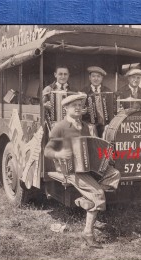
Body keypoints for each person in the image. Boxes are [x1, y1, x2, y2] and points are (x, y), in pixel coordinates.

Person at [44, 93, 121, 248]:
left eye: (80, 105)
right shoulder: (60, 127)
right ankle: (88, 233)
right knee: (98, 194)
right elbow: (47, 151)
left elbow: (91, 147)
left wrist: (106, 156)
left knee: (115, 174)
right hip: (71, 170)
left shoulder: (85, 126)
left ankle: (87, 200)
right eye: (74, 106)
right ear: (66, 108)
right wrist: (59, 154)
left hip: (88, 168)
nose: (78, 108)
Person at [80, 66, 112, 136]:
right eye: (93, 76)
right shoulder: (83, 91)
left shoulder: (108, 91)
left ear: (102, 78)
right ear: (89, 78)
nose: (96, 79)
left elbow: (111, 109)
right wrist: (83, 111)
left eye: (98, 76)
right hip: (89, 125)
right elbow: (79, 110)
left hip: (105, 125)